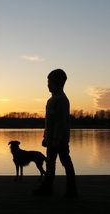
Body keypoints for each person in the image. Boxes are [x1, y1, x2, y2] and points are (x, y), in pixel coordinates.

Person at [33, 69, 77, 198]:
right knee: (50, 163)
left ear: (57, 83)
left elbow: (61, 122)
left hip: (59, 139)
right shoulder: (51, 100)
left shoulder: (62, 100)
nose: (47, 85)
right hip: (51, 138)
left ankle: (72, 190)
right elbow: (50, 122)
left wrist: (57, 139)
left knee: (65, 162)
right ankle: (47, 187)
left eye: (49, 82)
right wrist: (46, 136)